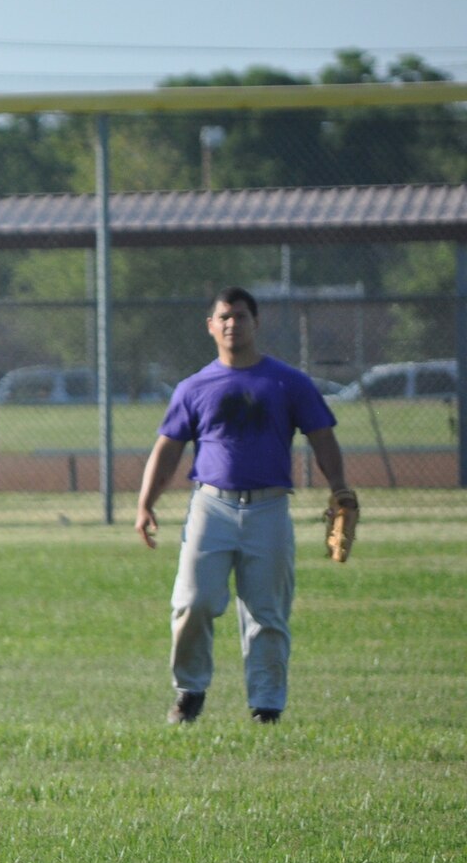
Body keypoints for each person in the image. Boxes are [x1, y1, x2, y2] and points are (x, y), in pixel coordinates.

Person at [135, 286, 352, 725]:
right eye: (224, 317)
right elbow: (168, 449)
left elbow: (322, 436)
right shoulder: (195, 386)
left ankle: (267, 706)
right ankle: (189, 691)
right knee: (192, 602)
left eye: (240, 316)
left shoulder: (287, 382)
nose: (233, 323)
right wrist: (145, 504)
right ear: (211, 326)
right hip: (210, 506)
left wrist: (341, 488)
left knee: (267, 611)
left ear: (256, 323)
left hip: (269, 509)